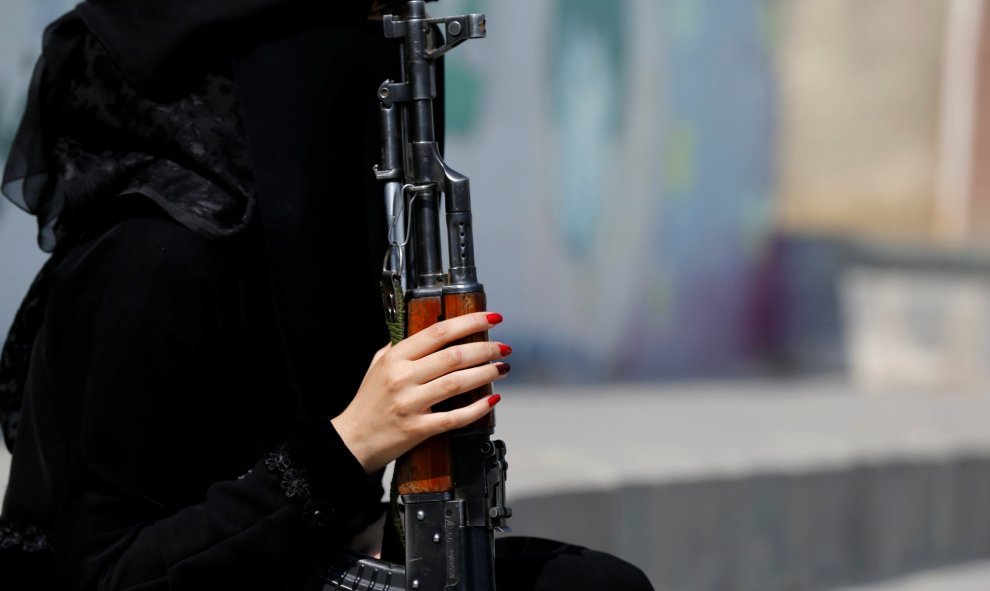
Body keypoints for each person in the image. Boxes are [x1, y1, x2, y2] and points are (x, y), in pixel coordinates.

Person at [0, 1, 654, 589]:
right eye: (361, 33)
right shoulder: (148, 262)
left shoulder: (302, 256)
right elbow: (104, 570)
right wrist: (350, 445)